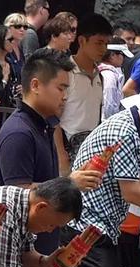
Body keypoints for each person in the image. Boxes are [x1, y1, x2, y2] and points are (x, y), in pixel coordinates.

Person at [0, 49, 101, 267]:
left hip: (39, 252)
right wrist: (70, 183)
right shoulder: (19, 133)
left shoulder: (42, 128)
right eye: (61, 87)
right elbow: (16, 196)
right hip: (16, 254)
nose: (65, 96)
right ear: (36, 85)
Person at [52, 86, 140, 267]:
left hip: (99, 227)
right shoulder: (126, 132)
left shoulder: (132, 129)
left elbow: (137, 185)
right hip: (88, 227)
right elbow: (132, 191)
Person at [54, 14, 112, 174]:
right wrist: (61, 155)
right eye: (99, 43)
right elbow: (52, 117)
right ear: (81, 41)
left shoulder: (101, 76)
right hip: (66, 151)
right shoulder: (65, 72)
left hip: (89, 154)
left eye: (106, 43)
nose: (103, 49)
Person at [100, 38, 132, 120]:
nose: (124, 59)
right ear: (112, 55)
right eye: (123, 55)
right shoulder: (109, 76)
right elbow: (108, 105)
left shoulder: (111, 73)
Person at [4, 12, 29, 95]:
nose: (22, 29)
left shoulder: (20, 50)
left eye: (25, 27)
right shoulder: (4, 49)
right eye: (17, 26)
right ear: (8, 28)